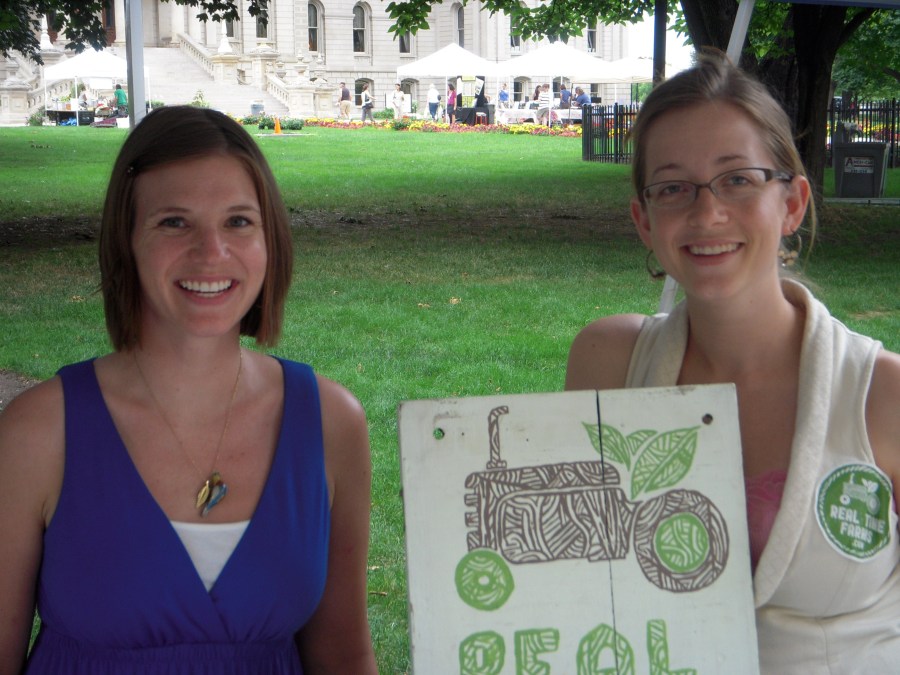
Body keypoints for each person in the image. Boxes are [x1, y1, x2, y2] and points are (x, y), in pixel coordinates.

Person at [0, 106, 378, 674]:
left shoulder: (331, 423)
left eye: (238, 222)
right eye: (174, 222)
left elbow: (343, 653)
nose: (211, 253)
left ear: (269, 240)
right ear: (127, 239)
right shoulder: (39, 431)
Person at [565, 53, 900, 673]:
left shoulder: (885, 395)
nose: (707, 212)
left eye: (738, 179)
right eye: (672, 188)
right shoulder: (606, 363)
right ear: (644, 219)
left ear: (792, 203)